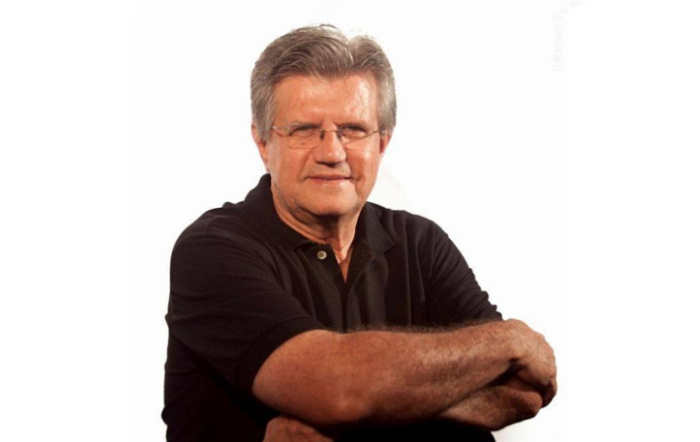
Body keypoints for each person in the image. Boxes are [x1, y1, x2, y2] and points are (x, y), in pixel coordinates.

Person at [162, 24, 556, 441]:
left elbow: (522, 390)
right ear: (262, 143)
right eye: (303, 130)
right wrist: (509, 339)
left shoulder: (422, 244)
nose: (331, 152)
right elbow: (337, 390)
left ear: (382, 142)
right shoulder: (212, 251)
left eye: (352, 129)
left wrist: (363, 407)